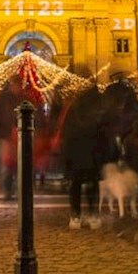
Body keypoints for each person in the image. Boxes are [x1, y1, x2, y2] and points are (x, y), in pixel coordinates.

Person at [59, 84, 109, 229]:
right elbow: (104, 133)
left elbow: (67, 133)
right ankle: (93, 216)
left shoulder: (74, 107)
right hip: (93, 150)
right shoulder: (99, 107)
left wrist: (66, 153)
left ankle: (75, 216)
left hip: (76, 151)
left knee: (75, 185)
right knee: (93, 184)